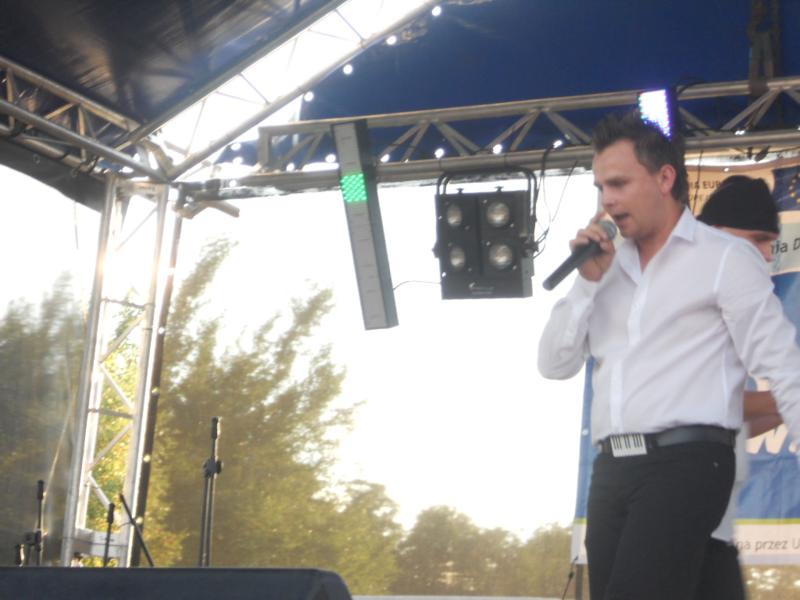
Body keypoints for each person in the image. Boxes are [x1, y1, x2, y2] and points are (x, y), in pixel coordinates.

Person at [537, 111, 800, 600]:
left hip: (687, 461)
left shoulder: (723, 257)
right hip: (612, 470)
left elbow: (783, 367)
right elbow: (553, 364)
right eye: (600, 187)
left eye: (618, 183)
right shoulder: (603, 270)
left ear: (664, 178)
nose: (607, 199)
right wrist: (586, 284)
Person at [693, 175, 782, 600]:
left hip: (714, 525)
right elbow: (704, 402)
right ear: (718, 234)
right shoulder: (689, 304)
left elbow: (727, 424)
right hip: (676, 521)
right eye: (759, 239)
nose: (768, 254)